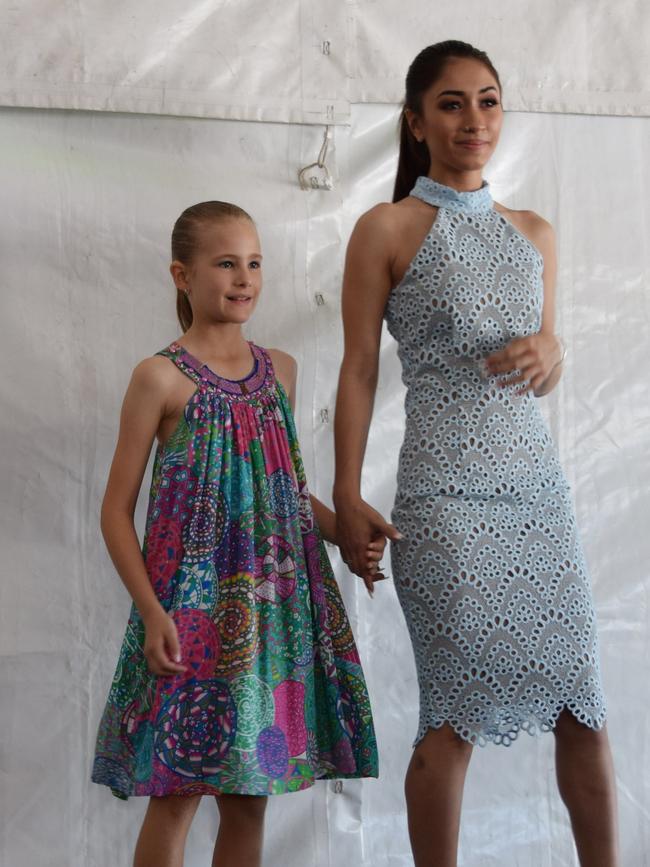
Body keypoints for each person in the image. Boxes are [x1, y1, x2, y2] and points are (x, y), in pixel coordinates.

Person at [332, 40, 619, 867]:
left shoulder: (534, 231)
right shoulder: (385, 228)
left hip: (536, 492)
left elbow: (546, 357)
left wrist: (552, 350)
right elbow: (357, 369)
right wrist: (346, 497)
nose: (474, 119)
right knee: (452, 711)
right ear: (416, 123)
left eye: (488, 100)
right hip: (445, 496)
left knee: (584, 707)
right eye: (452, 103)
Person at [91, 200, 381, 867]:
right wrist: (151, 609)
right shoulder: (158, 377)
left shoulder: (280, 369)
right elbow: (114, 510)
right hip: (188, 617)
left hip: (271, 615)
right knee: (178, 788)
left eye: (253, 262)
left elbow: (279, 491)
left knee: (250, 795)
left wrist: (347, 533)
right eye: (226, 262)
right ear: (182, 275)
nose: (244, 276)